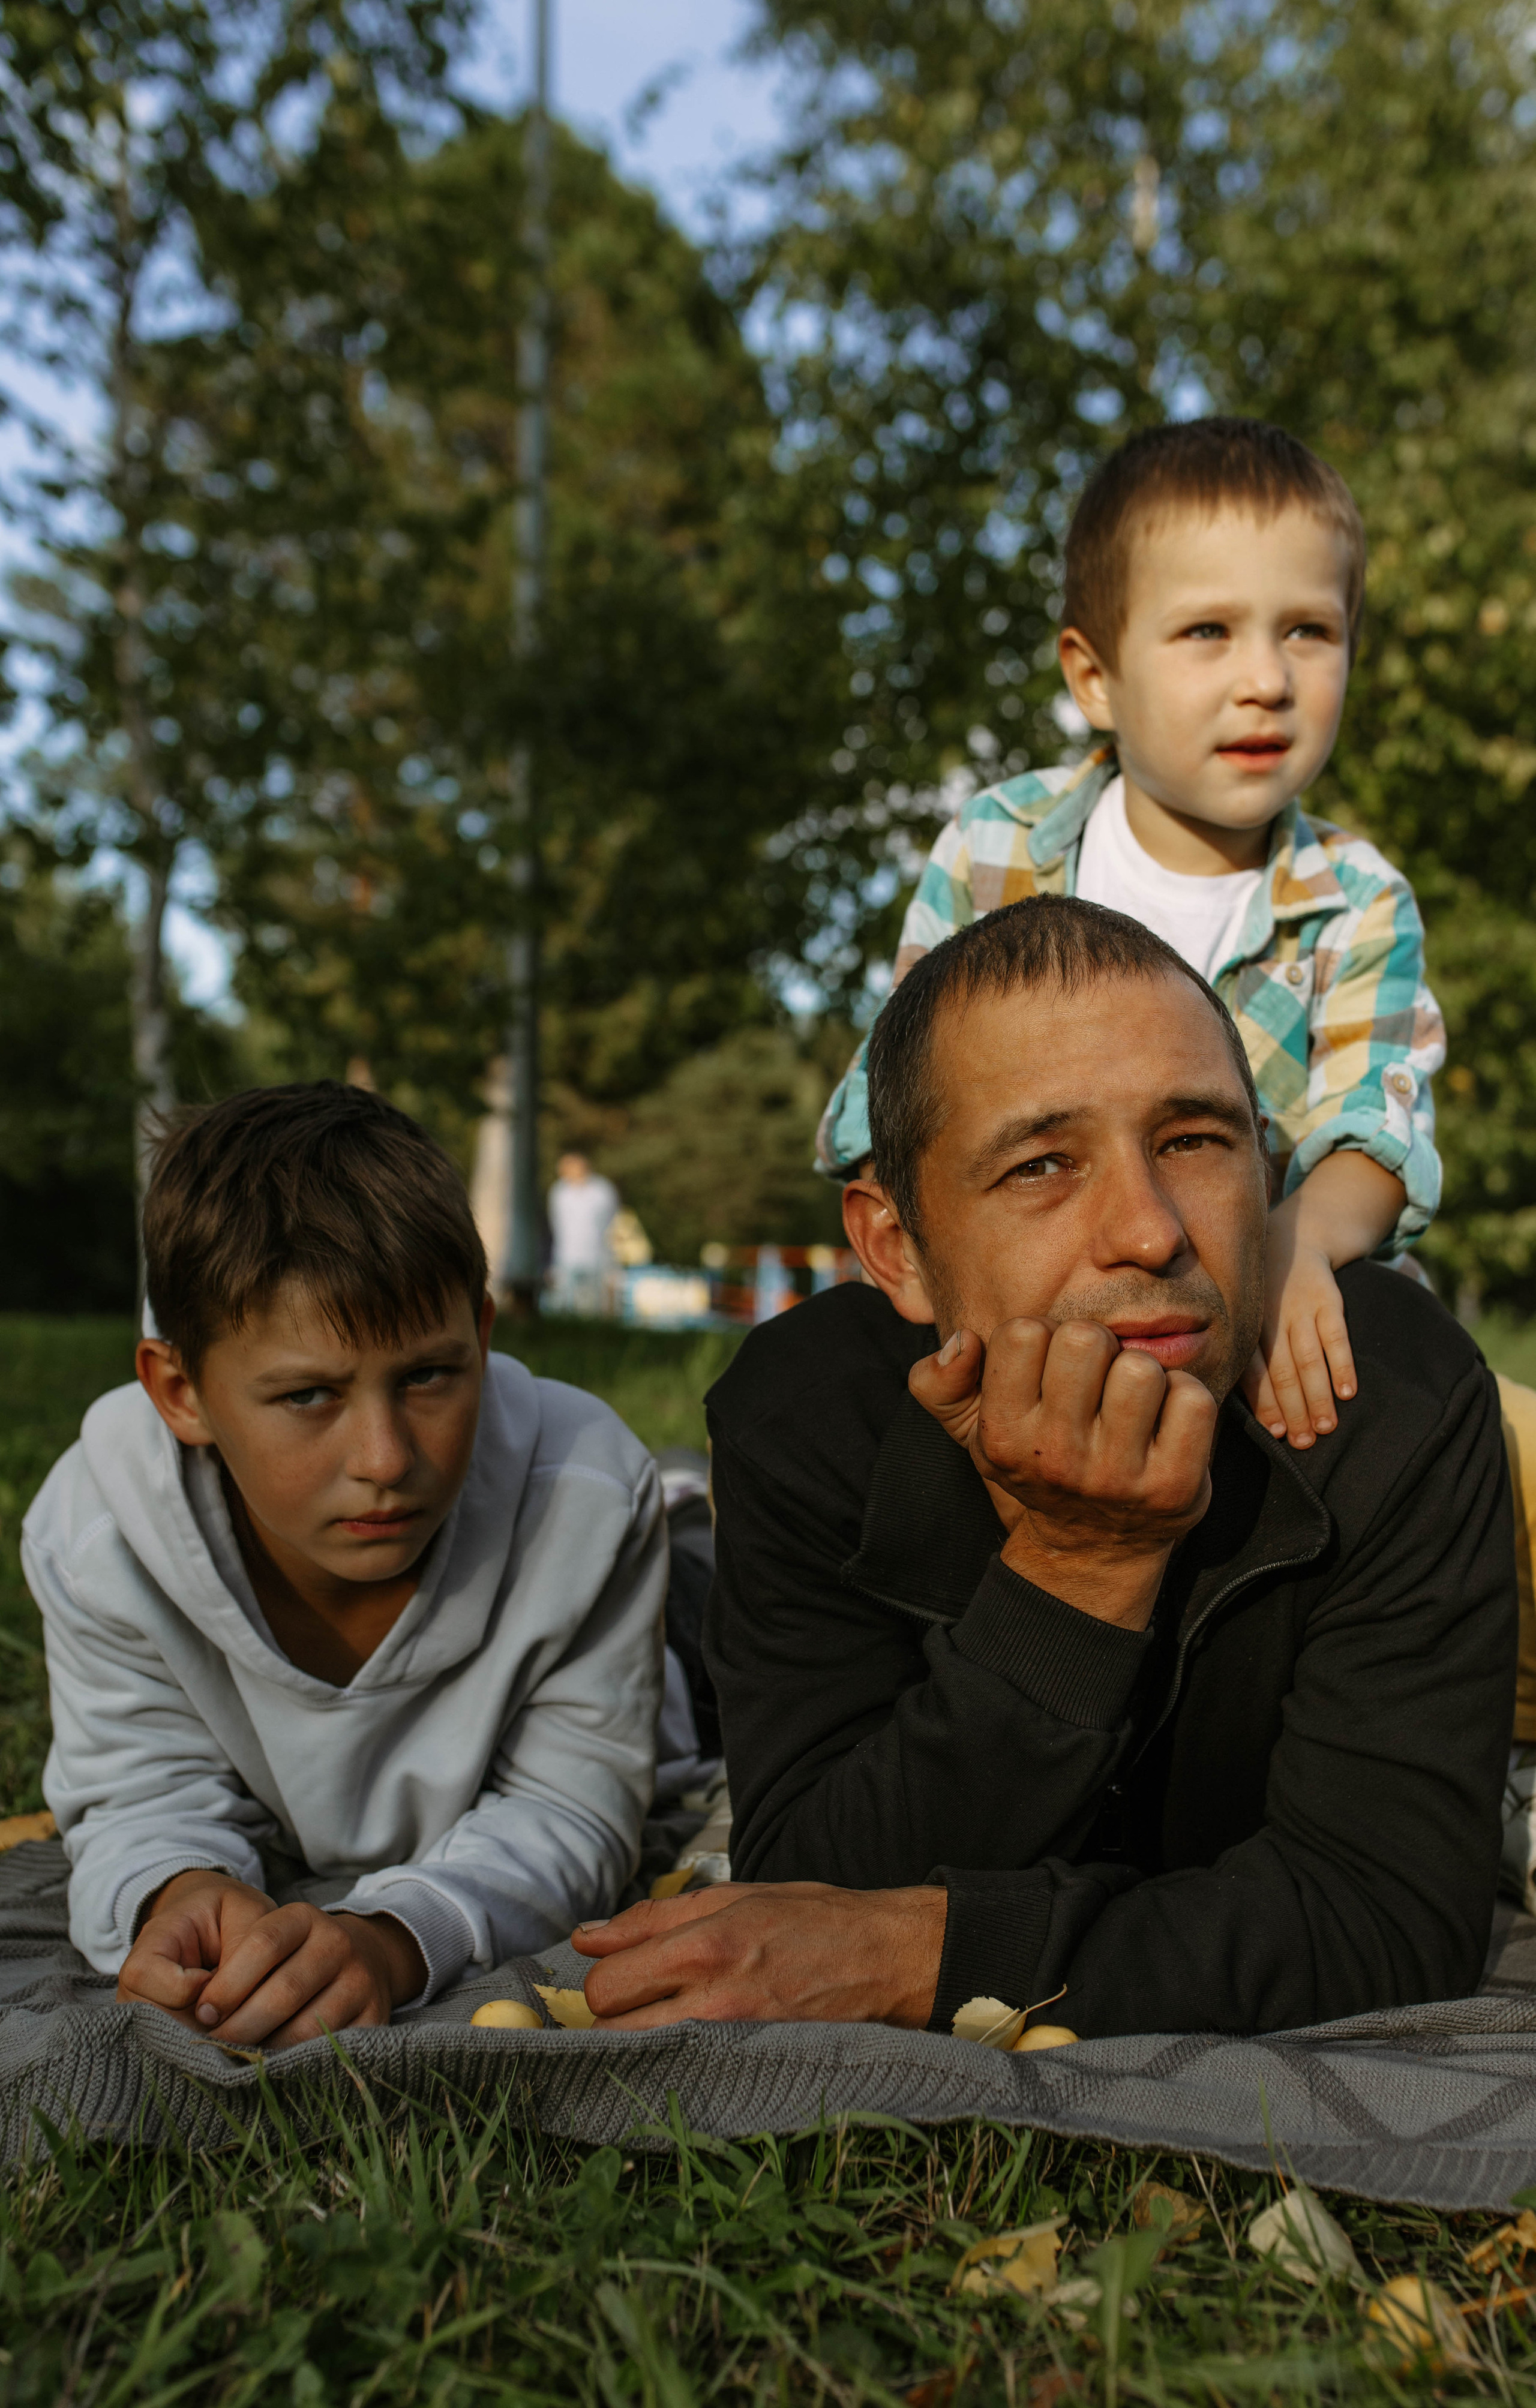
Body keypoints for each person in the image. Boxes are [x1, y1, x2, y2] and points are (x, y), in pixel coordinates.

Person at [568, 899, 1516, 2038]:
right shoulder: (804, 1416)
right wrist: (1078, 1571)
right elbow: (812, 1880)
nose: (1149, 1228)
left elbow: (1387, 1919)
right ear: (896, 1249)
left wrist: (936, 1954)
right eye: (1042, 1163)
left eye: (1193, 1141)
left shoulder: (1392, 1400)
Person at [817, 418, 1445, 1457]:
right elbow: (898, 1103)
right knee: (821, 1376)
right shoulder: (998, 845)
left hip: (1246, 1321)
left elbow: (1376, 1129)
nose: (1267, 679)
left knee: (1409, 1366)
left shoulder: (1356, 898)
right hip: (1037, 1301)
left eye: (1309, 631)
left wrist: (1297, 1243)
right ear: (1094, 676)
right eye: (1209, 631)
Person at [23, 1082, 667, 2050]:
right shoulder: (96, 1534)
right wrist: (180, 1890)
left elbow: (572, 1806)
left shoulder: (592, 1496)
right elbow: (140, 1790)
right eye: (309, 1394)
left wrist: (393, 1940)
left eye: (429, 1376)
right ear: (181, 1390)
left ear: (484, 1338)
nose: (385, 1457)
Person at [547, 1151, 620, 1315]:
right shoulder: (560, 1191)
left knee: (593, 1302)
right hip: (566, 1255)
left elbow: (611, 1220)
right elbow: (556, 1222)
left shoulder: (602, 1190)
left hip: (597, 1255)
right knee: (564, 1300)